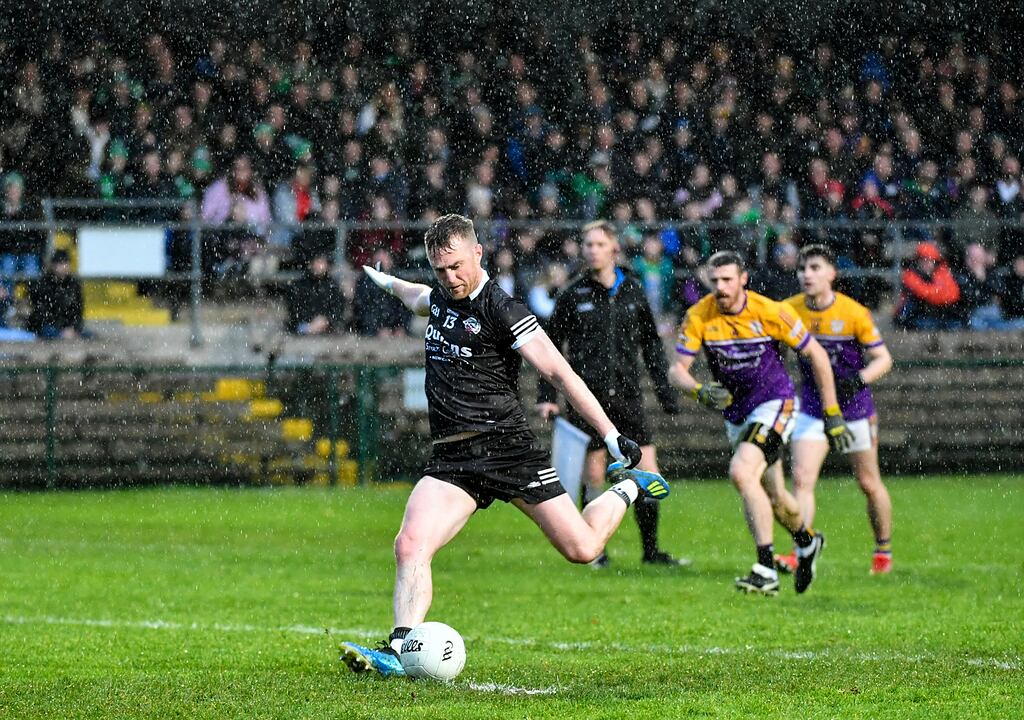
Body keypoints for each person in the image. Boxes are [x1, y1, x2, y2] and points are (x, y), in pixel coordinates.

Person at [339, 214, 668, 677]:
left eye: (457, 266)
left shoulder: (504, 309)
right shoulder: (439, 297)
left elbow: (560, 373)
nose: (450, 278)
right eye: (440, 269)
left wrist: (612, 435)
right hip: (453, 458)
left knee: (582, 549)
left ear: (477, 252)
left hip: (508, 450)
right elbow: (414, 295)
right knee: (410, 544)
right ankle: (398, 649)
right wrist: (385, 280)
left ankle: (629, 486)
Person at [669, 250, 853, 595]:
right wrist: (698, 391)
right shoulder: (699, 315)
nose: (721, 287)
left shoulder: (771, 311)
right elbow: (676, 370)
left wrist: (832, 411)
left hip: (774, 404)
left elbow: (816, 355)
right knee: (776, 496)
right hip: (737, 413)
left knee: (741, 473)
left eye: (727, 280)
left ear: (743, 279)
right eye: (715, 280)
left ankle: (765, 569)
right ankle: (807, 541)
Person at [536, 220, 687, 569]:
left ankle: (651, 551)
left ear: (614, 249)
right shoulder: (573, 295)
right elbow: (549, 348)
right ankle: (594, 549)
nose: (592, 250)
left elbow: (651, 345)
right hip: (588, 399)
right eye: (588, 244)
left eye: (599, 244)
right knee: (594, 474)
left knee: (648, 470)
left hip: (628, 396)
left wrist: (664, 393)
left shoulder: (633, 290)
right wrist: (547, 396)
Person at [777, 245, 895, 576]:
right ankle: (801, 550)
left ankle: (883, 550)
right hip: (813, 408)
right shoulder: (789, 310)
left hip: (854, 410)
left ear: (832, 273)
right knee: (802, 479)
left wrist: (857, 380)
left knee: (868, 483)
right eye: (802, 268)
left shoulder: (853, 312)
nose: (807, 274)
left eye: (815, 267)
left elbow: (884, 359)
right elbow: (776, 348)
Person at [893, 241, 962, 330]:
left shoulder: (941, 272)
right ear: (918, 261)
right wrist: (939, 292)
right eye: (924, 260)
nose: (927, 263)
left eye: (930, 260)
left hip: (935, 315)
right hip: (914, 316)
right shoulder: (909, 275)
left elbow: (953, 294)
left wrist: (936, 293)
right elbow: (924, 292)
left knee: (955, 323)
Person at [27, 250, 86, 340]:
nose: (64, 267)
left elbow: (78, 311)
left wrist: (73, 328)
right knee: (51, 333)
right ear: (53, 265)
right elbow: (42, 313)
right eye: (61, 263)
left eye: (66, 263)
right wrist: (62, 330)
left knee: (91, 336)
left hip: (68, 328)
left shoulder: (74, 284)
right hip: (49, 327)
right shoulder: (44, 284)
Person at [283, 254, 345, 335]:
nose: (319, 266)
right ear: (311, 264)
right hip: (302, 328)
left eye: (321, 262)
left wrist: (327, 321)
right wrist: (310, 323)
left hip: (327, 330)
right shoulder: (300, 285)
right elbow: (294, 308)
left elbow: (338, 307)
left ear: (327, 265)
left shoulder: (333, 286)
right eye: (317, 262)